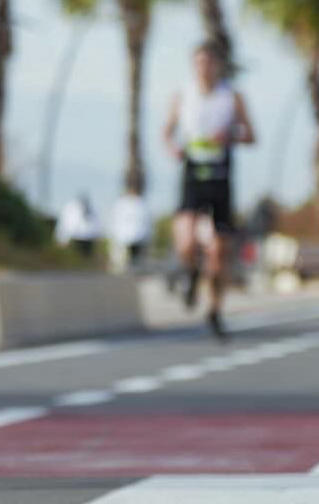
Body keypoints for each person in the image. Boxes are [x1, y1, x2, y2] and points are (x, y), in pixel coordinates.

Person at [161, 41, 256, 339]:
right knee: (186, 241)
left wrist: (229, 136)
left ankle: (215, 310)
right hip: (192, 174)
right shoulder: (183, 96)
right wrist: (173, 148)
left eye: (209, 62)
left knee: (218, 253)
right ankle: (190, 274)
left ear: (217, 65)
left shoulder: (232, 97)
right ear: (194, 65)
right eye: (199, 62)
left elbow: (251, 135)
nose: (204, 68)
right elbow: (166, 132)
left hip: (220, 177)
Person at [110, 188, 152, 271]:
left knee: (134, 259)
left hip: (135, 237)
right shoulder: (140, 203)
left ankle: (131, 267)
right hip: (127, 236)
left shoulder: (139, 203)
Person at [54, 193, 100, 259]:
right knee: (74, 259)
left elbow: (97, 226)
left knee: (86, 261)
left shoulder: (92, 210)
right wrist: (62, 240)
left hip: (88, 240)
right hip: (75, 239)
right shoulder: (70, 209)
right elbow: (65, 226)